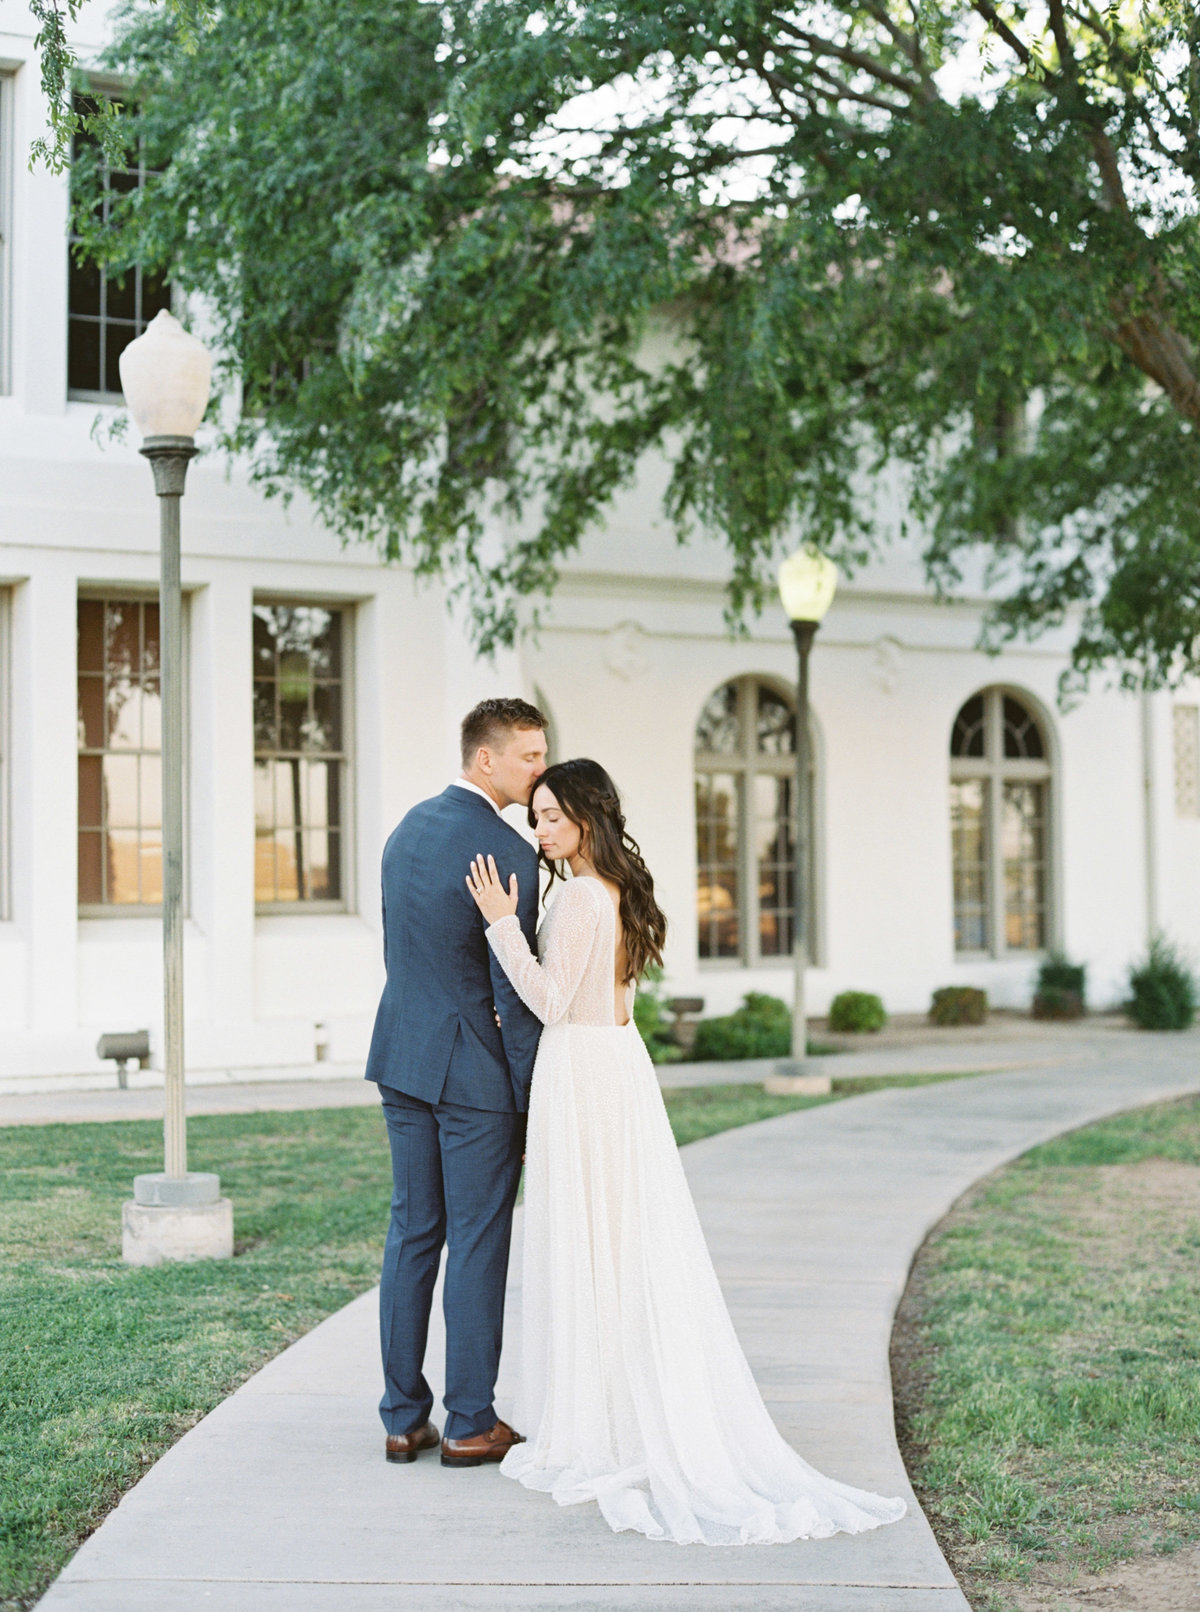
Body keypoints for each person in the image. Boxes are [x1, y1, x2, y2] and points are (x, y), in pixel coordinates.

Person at [466, 757, 907, 1545]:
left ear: (589, 820)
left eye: (553, 817)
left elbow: (547, 999)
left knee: (589, 1238)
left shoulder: (573, 899)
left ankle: (594, 1422)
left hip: (582, 1069)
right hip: (617, 1066)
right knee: (615, 1238)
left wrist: (501, 922)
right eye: (536, 817)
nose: (541, 831)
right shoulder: (619, 894)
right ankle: (607, 1403)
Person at [365, 697, 548, 1468]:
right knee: (476, 1240)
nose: (540, 771)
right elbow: (512, 990)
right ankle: (471, 1420)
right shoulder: (506, 852)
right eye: (530, 757)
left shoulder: (406, 829)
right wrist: (534, 1103)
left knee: (412, 1232)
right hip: (473, 1076)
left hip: (402, 1057)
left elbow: (404, 947)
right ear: (487, 760)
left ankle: (404, 1420)